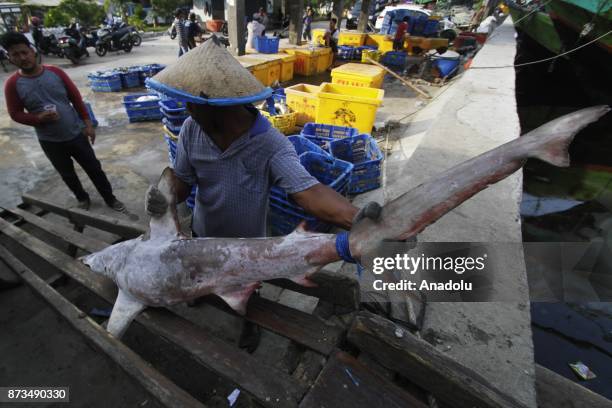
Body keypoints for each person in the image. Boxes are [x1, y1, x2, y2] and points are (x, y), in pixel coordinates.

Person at [145, 38, 378, 351]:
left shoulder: (270, 143)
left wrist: (358, 220)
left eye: (191, 102)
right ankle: (201, 296)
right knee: (199, 278)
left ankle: (247, 326)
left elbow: (308, 192)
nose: (187, 109)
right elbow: (184, 180)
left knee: (244, 296)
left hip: (247, 248)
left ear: (214, 104)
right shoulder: (191, 129)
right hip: (202, 236)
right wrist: (167, 194)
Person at [1, 32, 125, 212]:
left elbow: (76, 99)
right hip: (50, 141)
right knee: (67, 174)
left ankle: (110, 198)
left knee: (94, 169)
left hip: (76, 133)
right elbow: (15, 114)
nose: (22, 58)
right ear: (9, 58)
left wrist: (87, 124)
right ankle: (82, 198)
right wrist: (37, 119)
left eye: (24, 52)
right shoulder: (12, 84)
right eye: (15, 54)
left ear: (32, 51)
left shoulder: (55, 72)